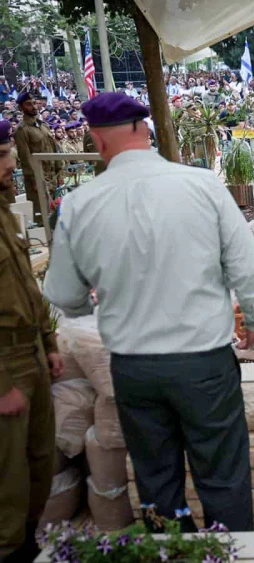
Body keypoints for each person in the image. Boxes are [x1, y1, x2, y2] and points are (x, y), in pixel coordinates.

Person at [43, 93, 254, 533]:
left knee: (157, 482)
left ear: (97, 140)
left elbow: (65, 295)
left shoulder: (79, 204)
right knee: (222, 475)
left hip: (134, 366)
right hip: (202, 361)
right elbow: (249, 269)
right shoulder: (201, 185)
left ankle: (171, 550)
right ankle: (230, 551)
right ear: (144, 129)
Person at [0, 119, 62, 563]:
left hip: (31, 352)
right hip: (5, 362)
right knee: (9, 481)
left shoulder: (4, 213)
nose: (9, 164)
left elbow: (26, 286)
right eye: (1, 157)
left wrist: (50, 342)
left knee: (41, 464)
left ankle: (25, 547)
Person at [13, 92, 59, 219]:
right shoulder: (22, 130)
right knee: (42, 216)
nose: (33, 107)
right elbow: (25, 157)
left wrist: (59, 169)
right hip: (38, 177)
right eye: (28, 104)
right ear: (21, 108)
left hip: (52, 175)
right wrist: (34, 180)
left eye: (34, 103)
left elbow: (54, 148)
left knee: (55, 214)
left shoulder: (43, 125)